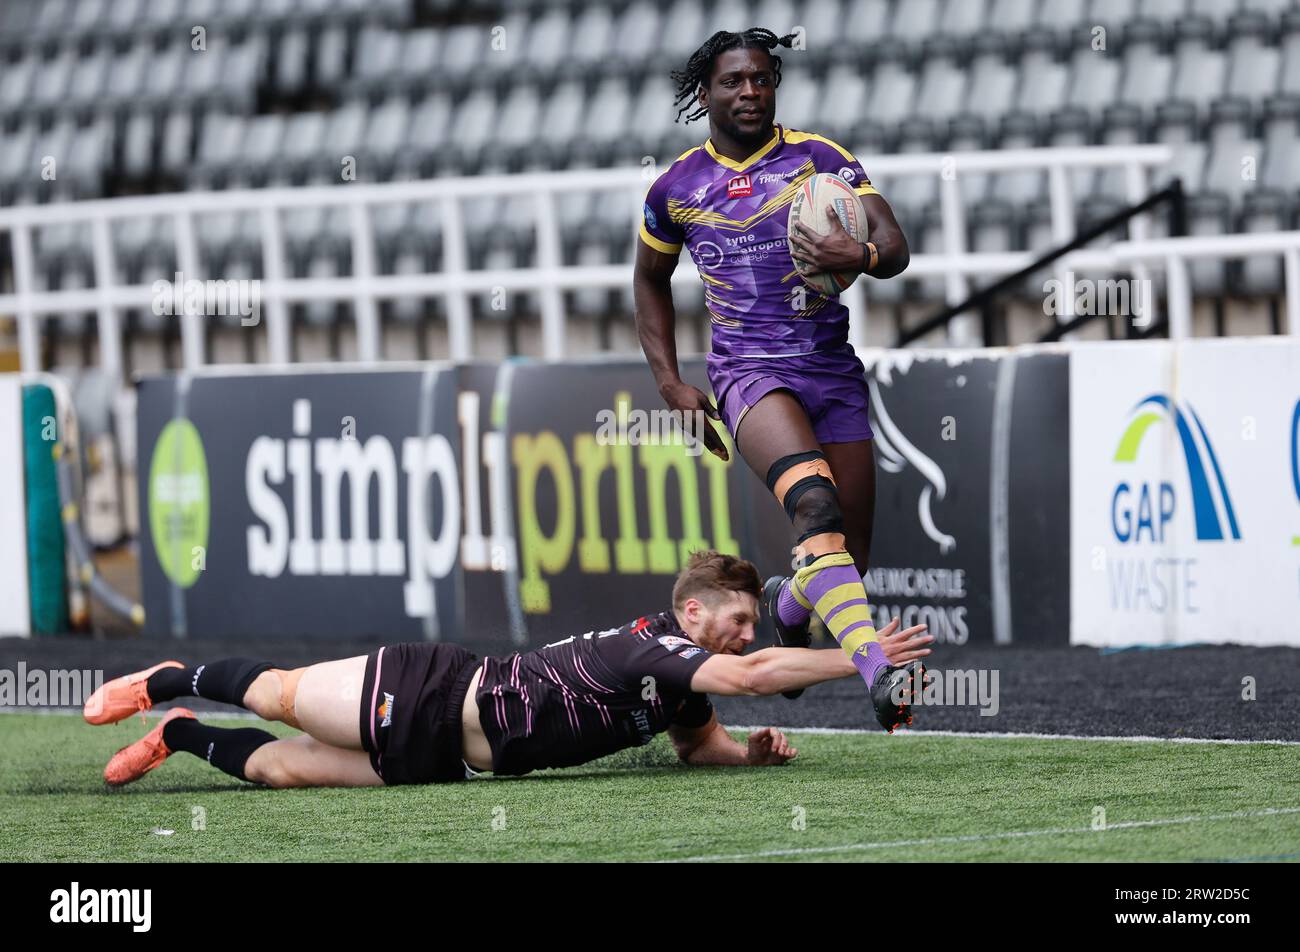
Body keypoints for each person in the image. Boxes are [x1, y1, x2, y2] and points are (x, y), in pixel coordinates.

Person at [84, 551, 932, 789]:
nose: (747, 638)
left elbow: (697, 746)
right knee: (282, 701)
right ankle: (169, 681)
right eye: (739, 622)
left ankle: (182, 735)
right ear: (693, 614)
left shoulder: (678, 683)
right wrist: (861, 655)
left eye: (754, 625)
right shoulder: (650, 646)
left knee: (272, 768)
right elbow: (751, 680)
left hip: (451, 763)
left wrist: (747, 758)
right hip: (437, 692)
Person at [632, 28, 911, 710]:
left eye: (761, 78)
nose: (750, 90)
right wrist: (671, 382)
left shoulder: (821, 160)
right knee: (813, 505)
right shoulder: (676, 187)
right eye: (734, 81)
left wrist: (860, 254)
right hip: (748, 373)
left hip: (831, 369)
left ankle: (786, 602)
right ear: (706, 94)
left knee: (848, 557)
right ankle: (880, 674)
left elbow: (896, 246)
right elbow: (649, 281)